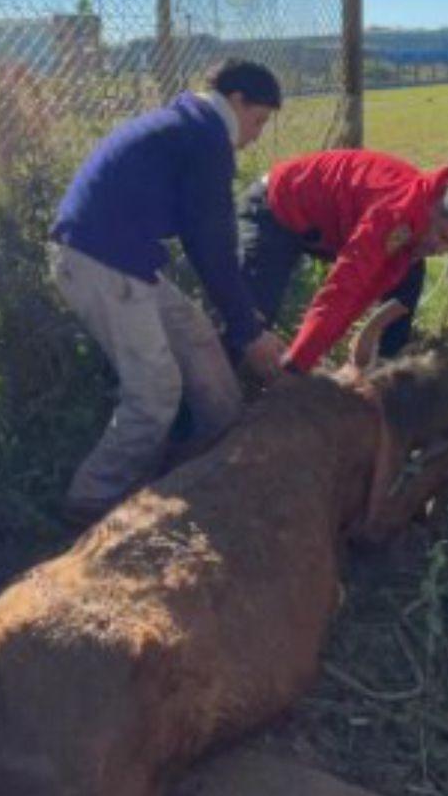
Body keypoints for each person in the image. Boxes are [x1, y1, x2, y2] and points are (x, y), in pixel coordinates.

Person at [49, 59, 288, 524]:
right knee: (156, 390)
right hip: (98, 261)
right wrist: (250, 332)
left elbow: (207, 242)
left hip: (123, 258)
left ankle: (221, 451)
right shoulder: (205, 136)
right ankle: (90, 505)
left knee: (196, 337)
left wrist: (244, 328)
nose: (257, 133)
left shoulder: (190, 125)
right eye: (258, 119)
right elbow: (212, 247)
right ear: (235, 101)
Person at [235, 148, 448, 372]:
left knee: (407, 289)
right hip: (276, 207)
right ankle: (226, 403)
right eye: (442, 236)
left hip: (325, 229)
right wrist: (297, 365)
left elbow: (369, 288)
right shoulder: (394, 214)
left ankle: (382, 384)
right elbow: (342, 291)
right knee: (251, 323)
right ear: (437, 207)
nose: (438, 248)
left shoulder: (417, 227)